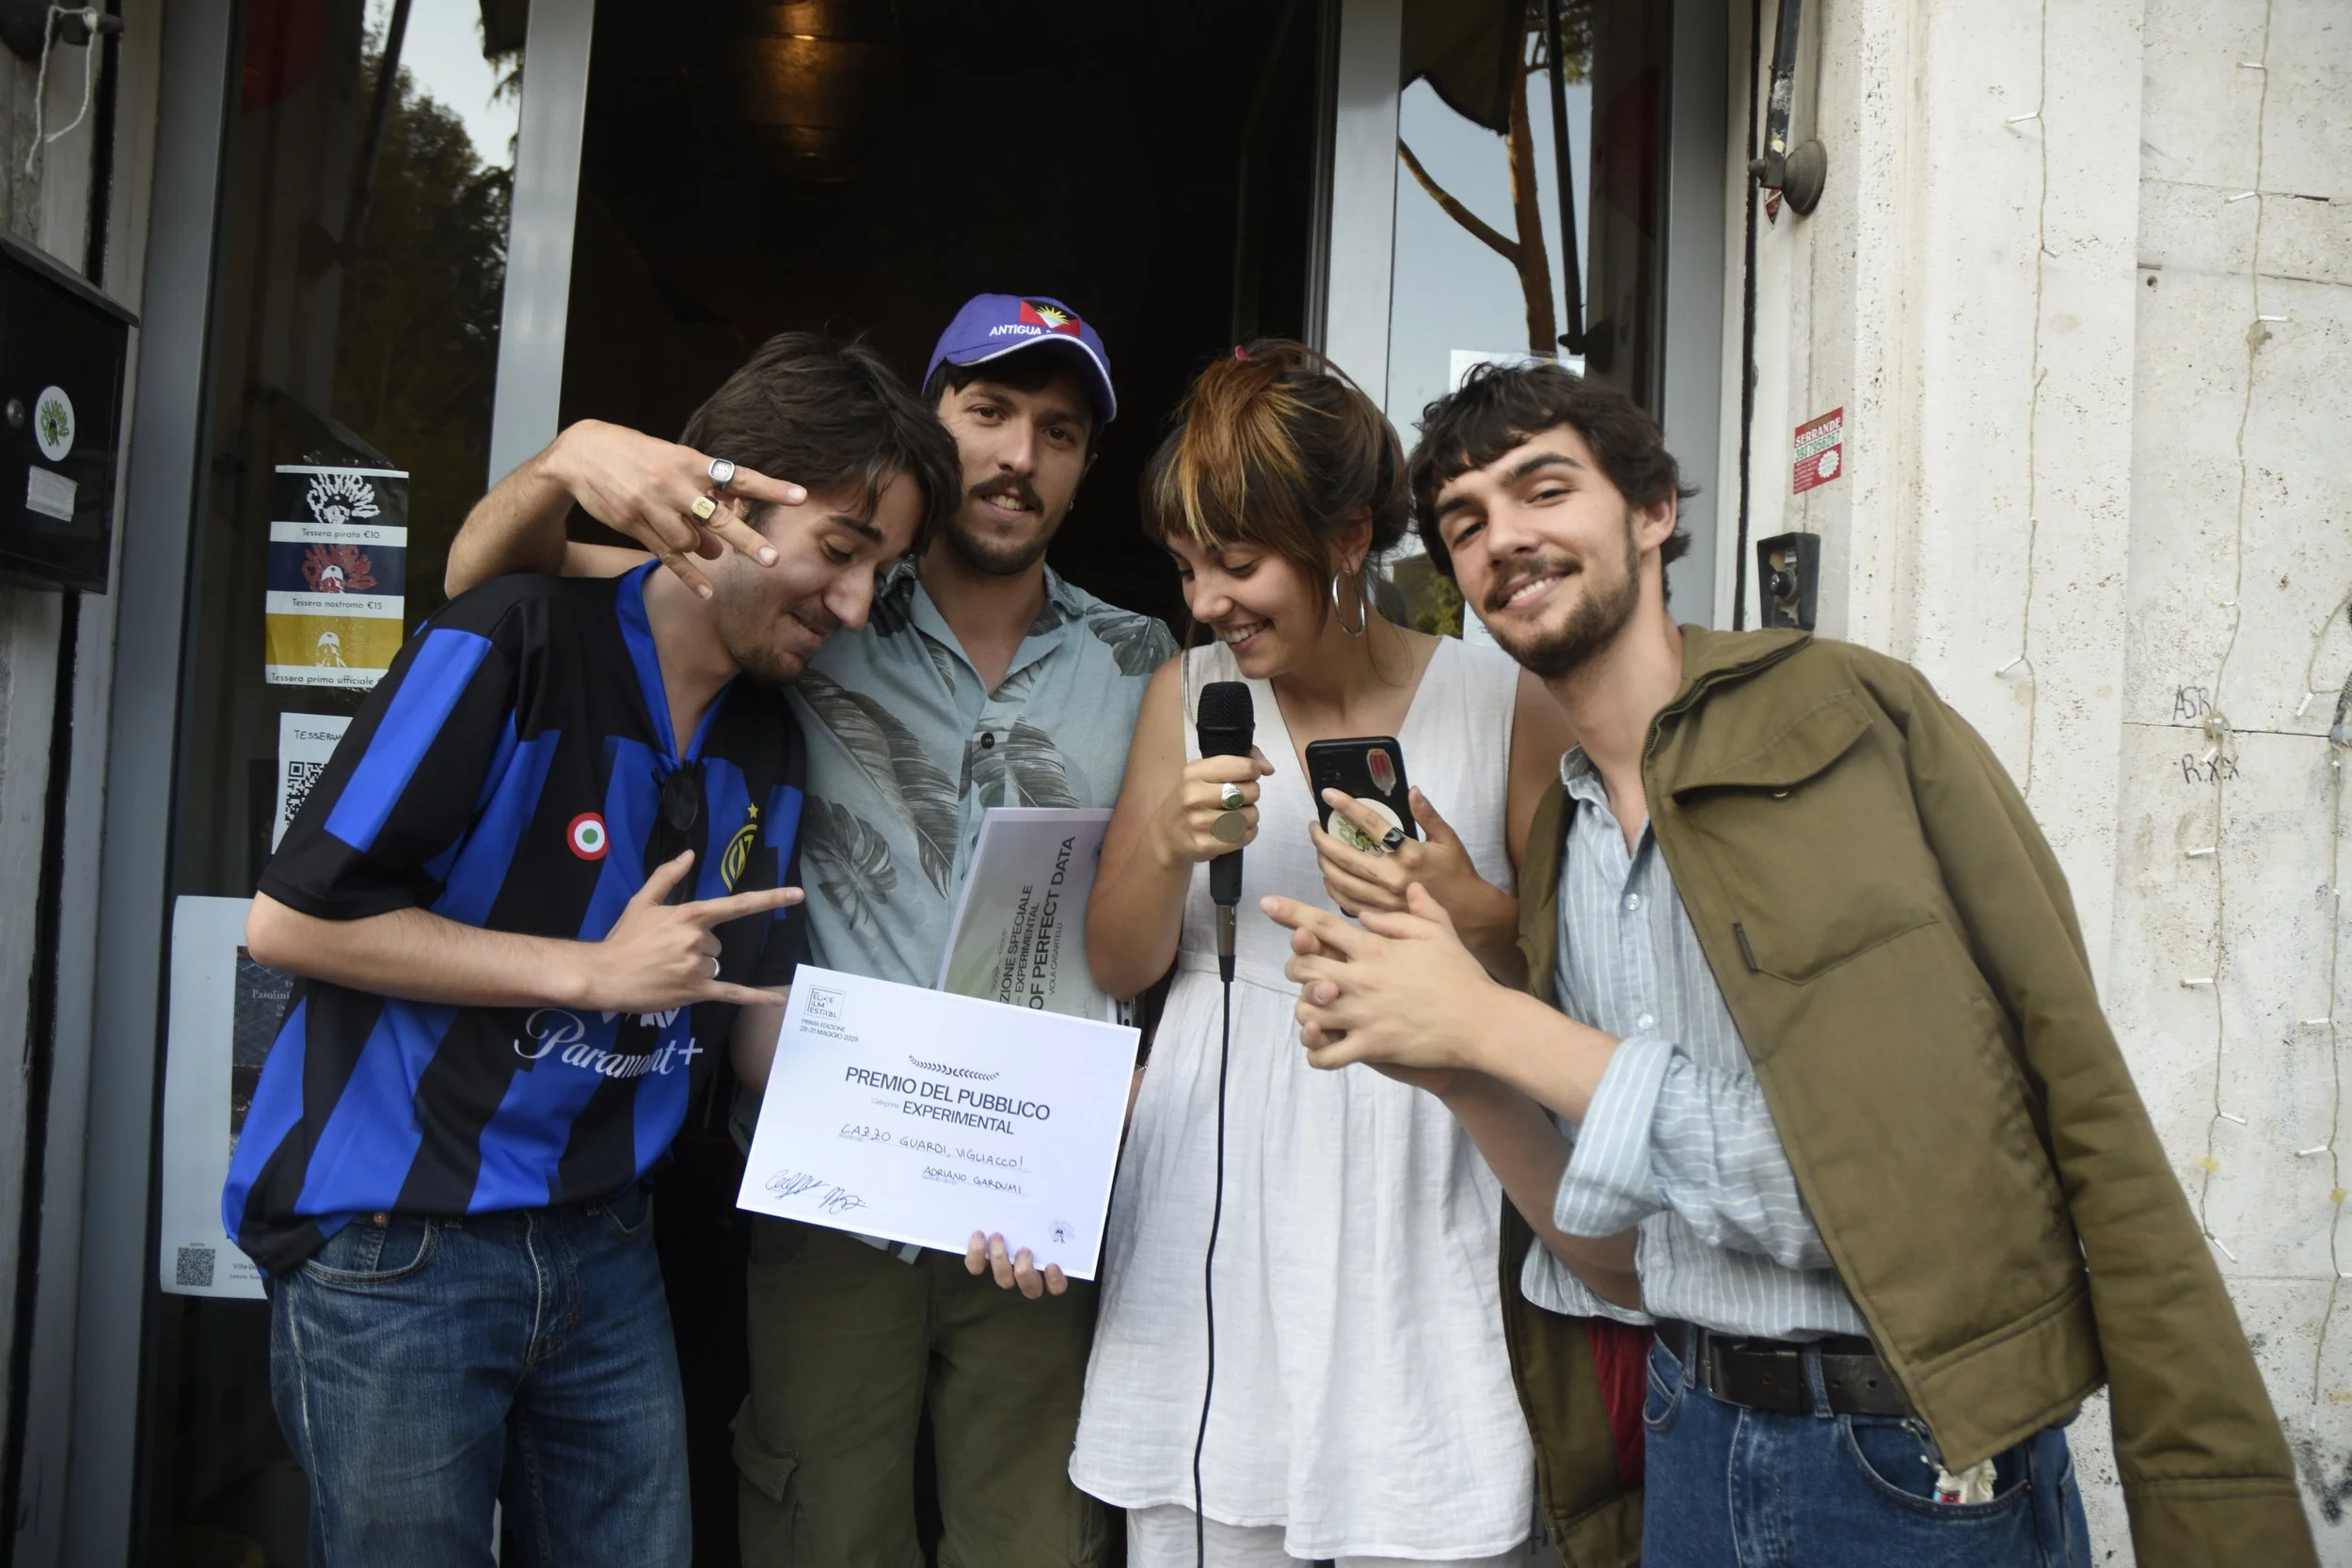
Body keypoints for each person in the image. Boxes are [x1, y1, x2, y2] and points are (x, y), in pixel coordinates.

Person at [1263, 361, 2316, 1568]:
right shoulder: (1559, 835)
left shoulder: (1843, 721)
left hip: (1910, 1466)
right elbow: (1622, 1258)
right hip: (1686, 1437)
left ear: (1652, 509)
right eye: (1464, 523)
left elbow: (1919, 1181)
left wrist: (1494, 1028)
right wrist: (1450, 1060)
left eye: (1541, 488)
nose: (1503, 538)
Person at [442, 294, 1176, 1568]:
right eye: (990, 413)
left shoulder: (1145, 659)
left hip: (1034, 1207)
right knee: (822, 1531)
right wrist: (574, 457)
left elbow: (1157, 922)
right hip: (833, 1184)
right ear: (934, 428)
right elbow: (486, 577)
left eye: (1058, 432)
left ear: (1086, 468)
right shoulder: (813, 602)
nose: (1019, 456)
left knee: (1038, 1540)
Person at [224, 332, 959, 1568]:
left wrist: (995, 1143)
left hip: (605, 1247)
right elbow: (291, 919)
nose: (853, 604)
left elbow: (761, 1029)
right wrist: (588, 972)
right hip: (397, 1239)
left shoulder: (769, 736)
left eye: (877, 572)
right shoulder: (516, 637)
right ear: (722, 501)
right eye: (840, 550)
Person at [1069, 341, 1597, 1568]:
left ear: (1350, 537)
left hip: (1424, 1155)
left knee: (1423, 1502)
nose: (1207, 602)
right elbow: (1121, 962)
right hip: (1216, 1154)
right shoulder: (1188, 690)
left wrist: (1461, 899)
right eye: (1190, 566)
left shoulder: (1499, 699)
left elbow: (1556, 983)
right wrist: (1159, 840)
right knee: (1215, 1518)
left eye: (1238, 563)